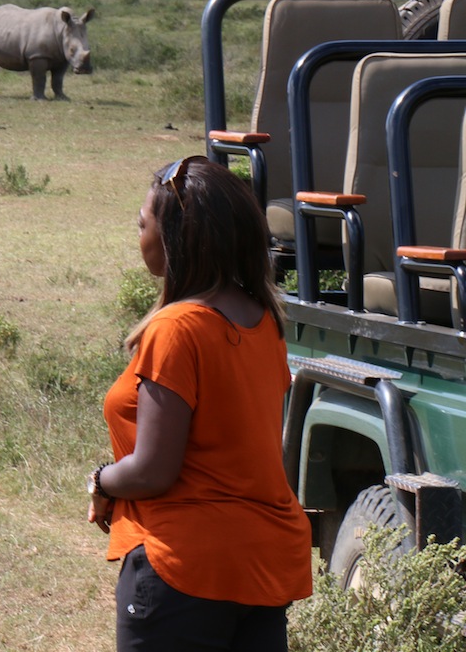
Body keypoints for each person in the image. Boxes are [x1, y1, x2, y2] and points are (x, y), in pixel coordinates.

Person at [86, 155, 311, 652]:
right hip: (260, 567)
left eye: (142, 224)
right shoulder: (263, 320)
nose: (137, 235)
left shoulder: (175, 329)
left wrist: (100, 480)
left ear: (175, 238)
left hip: (184, 567)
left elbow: (152, 472)